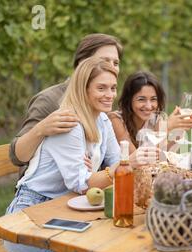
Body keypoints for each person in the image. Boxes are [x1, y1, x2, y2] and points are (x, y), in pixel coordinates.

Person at [4, 57, 129, 252]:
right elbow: (82, 183)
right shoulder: (69, 123)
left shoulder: (102, 119)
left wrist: (107, 169)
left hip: (63, 214)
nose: (109, 95)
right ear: (84, 89)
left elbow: (115, 161)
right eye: (101, 88)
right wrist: (120, 168)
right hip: (26, 219)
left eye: (113, 88)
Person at [9, 33, 123, 177]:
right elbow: (17, 157)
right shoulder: (49, 100)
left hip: (82, 187)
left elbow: (108, 158)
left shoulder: (101, 100)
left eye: (116, 63)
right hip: (47, 193)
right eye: (105, 61)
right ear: (83, 63)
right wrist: (40, 130)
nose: (112, 67)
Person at [110, 71, 192, 162]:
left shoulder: (156, 119)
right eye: (141, 99)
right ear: (129, 100)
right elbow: (139, 161)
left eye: (153, 99)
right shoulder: (116, 120)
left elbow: (163, 156)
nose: (148, 106)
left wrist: (179, 129)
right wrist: (166, 127)